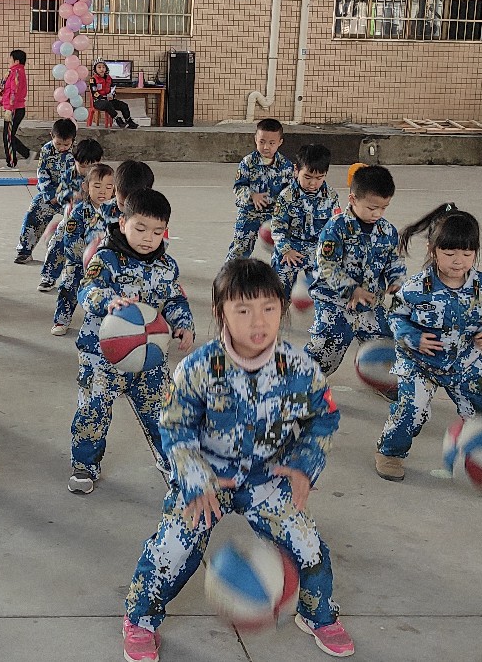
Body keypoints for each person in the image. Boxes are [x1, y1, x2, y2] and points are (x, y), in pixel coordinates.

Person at [121, 258, 352, 662]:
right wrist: (195, 479)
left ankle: (317, 613)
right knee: (171, 549)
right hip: (208, 477)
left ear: (283, 308)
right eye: (243, 310)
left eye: (268, 308)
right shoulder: (197, 369)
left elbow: (325, 416)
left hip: (268, 478)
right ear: (220, 313)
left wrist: (304, 467)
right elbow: (175, 426)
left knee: (308, 547)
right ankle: (140, 618)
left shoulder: (301, 369)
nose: (258, 322)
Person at [69, 188, 194, 495]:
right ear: (123, 223)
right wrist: (107, 300)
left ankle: (171, 461)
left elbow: (175, 299)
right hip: (103, 356)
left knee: (163, 412)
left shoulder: (166, 266)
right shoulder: (106, 259)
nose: (148, 238)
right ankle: (85, 464)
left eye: (157, 232)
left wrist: (183, 325)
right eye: (140, 228)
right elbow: (87, 290)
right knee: (93, 411)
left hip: (149, 357)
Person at [374, 204, 482, 482]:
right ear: (432, 250)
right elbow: (395, 317)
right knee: (411, 411)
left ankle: (481, 455)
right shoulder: (416, 288)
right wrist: (414, 338)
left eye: (467, 254)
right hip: (419, 362)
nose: (458, 261)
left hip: (464, 361)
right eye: (449, 253)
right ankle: (390, 453)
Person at [305, 165, 406, 378]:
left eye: (383, 208)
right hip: (335, 304)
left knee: (384, 347)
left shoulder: (387, 231)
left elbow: (394, 260)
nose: (377, 214)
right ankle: (300, 383)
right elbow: (327, 265)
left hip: (370, 303)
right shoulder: (336, 228)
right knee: (326, 352)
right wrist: (352, 289)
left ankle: (385, 383)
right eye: (372, 208)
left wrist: (396, 280)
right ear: (353, 199)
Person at [49, 162, 116, 336]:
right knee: (68, 285)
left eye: (108, 187)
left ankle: (108, 323)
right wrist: (87, 255)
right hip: (80, 261)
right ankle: (62, 318)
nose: (103, 191)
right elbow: (70, 241)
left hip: (108, 264)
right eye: (97, 186)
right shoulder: (79, 211)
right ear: (86, 187)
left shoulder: (117, 212)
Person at [269, 144, 340, 302]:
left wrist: (330, 254)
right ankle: (280, 307)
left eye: (319, 178)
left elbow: (335, 228)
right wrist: (286, 250)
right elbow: (278, 227)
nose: (313, 183)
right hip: (292, 247)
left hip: (319, 250)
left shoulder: (331, 197)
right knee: (279, 285)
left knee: (327, 287)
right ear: (296, 170)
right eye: (307, 177)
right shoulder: (286, 196)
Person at [37, 137, 104, 292]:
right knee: (57, 244)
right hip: (71, 221)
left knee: (97, 251)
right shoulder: (69, 175)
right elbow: (59, 194)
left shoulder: (104, 178)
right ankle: (48, 276)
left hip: (95, 223)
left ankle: (95, 280)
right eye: (83, 166)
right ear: (75, 160)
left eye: (91, 166)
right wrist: (71, 196)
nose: (87, 171)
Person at [227, 119, 294, 260]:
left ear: (280, 142)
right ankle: (230, 273)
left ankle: (278, 274)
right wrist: (252, 195)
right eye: (262, 142)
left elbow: (290, 192)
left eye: (271, 143)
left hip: (274, 213)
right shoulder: (248, 162)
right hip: (249, 212)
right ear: (255, 139)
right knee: (240, 248)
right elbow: (238, 187)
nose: (266, 147)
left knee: (281, 248)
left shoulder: (286, 166)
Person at [14, 118, 78, 265]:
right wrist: (50, 195)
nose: (62, 147)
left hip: (71, 197)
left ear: (73, 140)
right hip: (49, 195)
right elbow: (42, 173)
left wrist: (68, 196)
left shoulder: (78, 153)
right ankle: (24, 251)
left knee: (79, 220)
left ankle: (75, 255)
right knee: (33, 214)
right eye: (58, 143)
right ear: (52, 136)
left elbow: (80, 177)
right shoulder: (46, 150)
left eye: (66, 144)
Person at [0, 49, 30, 168]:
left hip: (14, 109)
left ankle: (11, 163)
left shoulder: (16, 73)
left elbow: (14, 91)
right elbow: (8, 92)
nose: (8, 60)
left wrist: (9, 109)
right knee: (9, 135)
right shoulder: (14, 72)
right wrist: (1, 103)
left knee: (8, 136)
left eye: (10, 58)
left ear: (16, 61)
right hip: (14, 108)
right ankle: (27, 154)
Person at [89, 60, 139, 128]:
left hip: (109, 100)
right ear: (95, 69)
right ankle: (117, 120)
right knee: (107, 104)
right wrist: (104, 98)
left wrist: (112, 95)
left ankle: (129, 121)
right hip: (98, 101)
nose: (101, 69)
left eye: (103, 67)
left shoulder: (109, 78)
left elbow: (113, 89)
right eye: (99, 67)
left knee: (124, 105)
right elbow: (94, 92)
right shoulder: (93, 79)